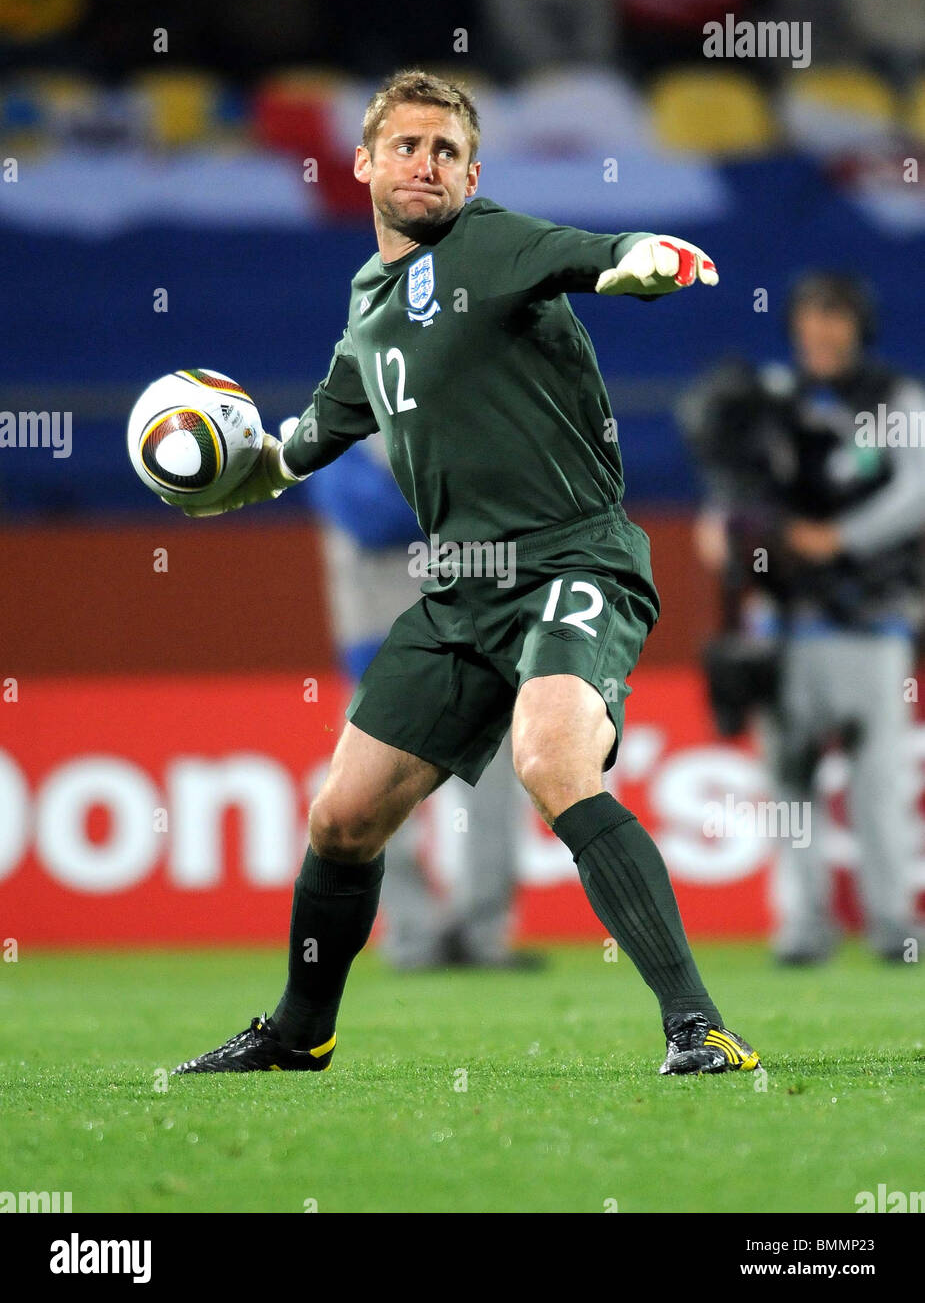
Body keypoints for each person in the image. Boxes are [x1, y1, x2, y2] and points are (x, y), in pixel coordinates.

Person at [171, 66, 759, 1076]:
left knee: (551, 761)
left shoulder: (491, 242)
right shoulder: (368, 306)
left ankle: (696, 1027)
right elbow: (290, 451)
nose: (426, 164)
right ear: (362, 162)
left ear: (472, 173)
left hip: (575, 555)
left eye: (446, 151)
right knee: (342, 816)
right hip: (460, 589)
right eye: (406, 145)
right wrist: (212, 480)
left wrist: (643, 260)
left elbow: (600, 256)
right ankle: (299, 1030)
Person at [686, 274, 925, 963]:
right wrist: (719, 526)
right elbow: (735, 487)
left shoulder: (893, 398)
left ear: (858, 325)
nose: (819, 333)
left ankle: (891, 926)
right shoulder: (769, 403)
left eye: (834, 319)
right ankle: (802, 926)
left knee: (878, 786)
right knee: (788, 785)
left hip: (871, 620)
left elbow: (917, 490)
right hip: (783, 625)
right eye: (808, 321)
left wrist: (840, 537)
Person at [296, 429, 540, 970]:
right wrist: (461, 499)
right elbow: (373, 520)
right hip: (380, 648)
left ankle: (484, 935)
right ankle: (413, 935)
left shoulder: (461, 430)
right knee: (371, 805)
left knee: (493, 799)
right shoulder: (339, 447)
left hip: (477, 640)